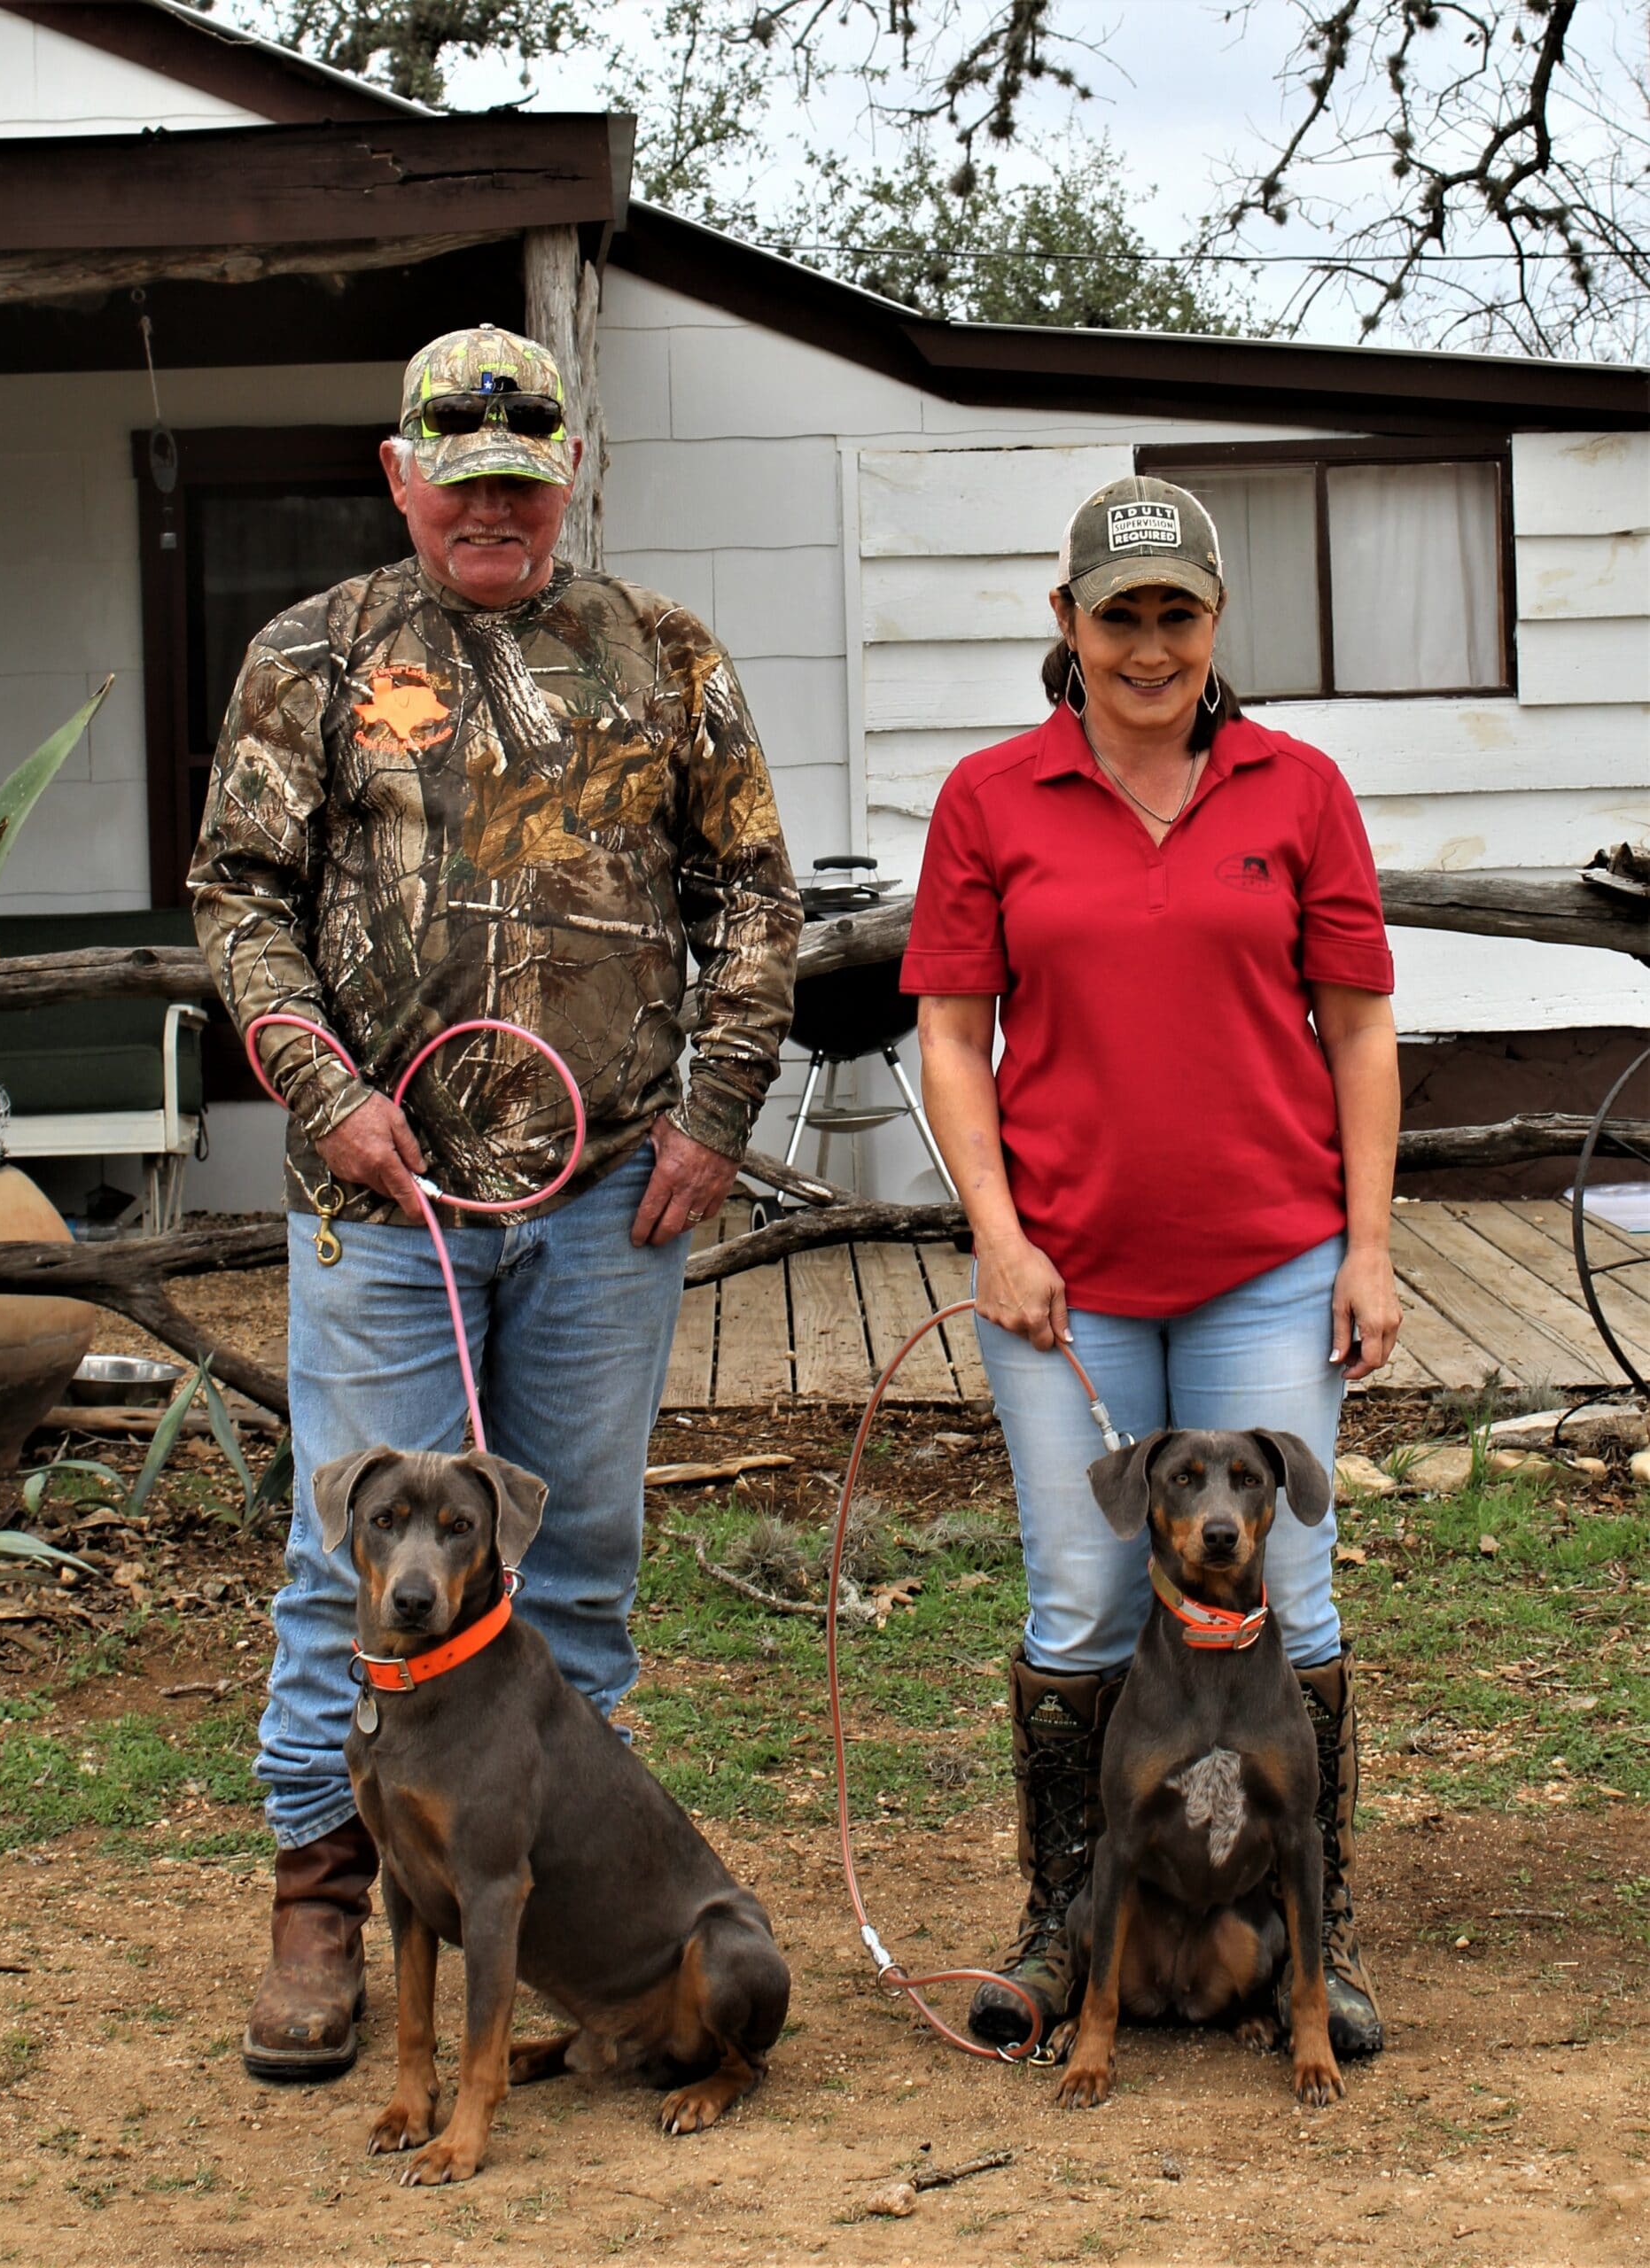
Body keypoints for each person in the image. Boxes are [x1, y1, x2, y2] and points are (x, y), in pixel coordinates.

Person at [190, 323, 801, 2081]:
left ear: (567, 472)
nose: (493, 503)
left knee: (572, 1565)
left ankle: (550, 1901)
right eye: (458, 476)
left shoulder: (666, 658)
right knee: (347, 1563)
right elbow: (242, 899)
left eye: (522, 474)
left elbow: (751, 900)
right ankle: (326, 1884)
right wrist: (329, 1091)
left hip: (612, 1197)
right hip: (381, 1206)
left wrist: (709, 1117)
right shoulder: (310, 657)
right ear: (402, 476)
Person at [899, 473, 1401, 2061]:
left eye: (1174, 613)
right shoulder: (990, 799)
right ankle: (1071, 1916)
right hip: (1068, 1278)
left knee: (1284, 1591)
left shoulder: (1295, 788)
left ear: (1211, 623)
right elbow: (952, 1036)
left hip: (1270, 1260)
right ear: (1066, 625)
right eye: (1116, 615)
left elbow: (1360, 1026)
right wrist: (996, 1231)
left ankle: (1303, 1928)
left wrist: (1369, 1246)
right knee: (1082, 1592)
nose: (1147, 645)